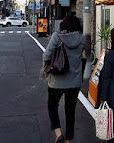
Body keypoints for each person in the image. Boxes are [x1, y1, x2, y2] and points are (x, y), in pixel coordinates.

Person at [42, 15, 85, 143]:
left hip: (57, 80)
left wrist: (45, 69)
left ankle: (58, 134)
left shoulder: (57, 36)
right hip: (75, 81)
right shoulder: (82, 39)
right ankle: (68, 140)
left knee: (52, 106)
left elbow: (47, 55)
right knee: (70, 111)